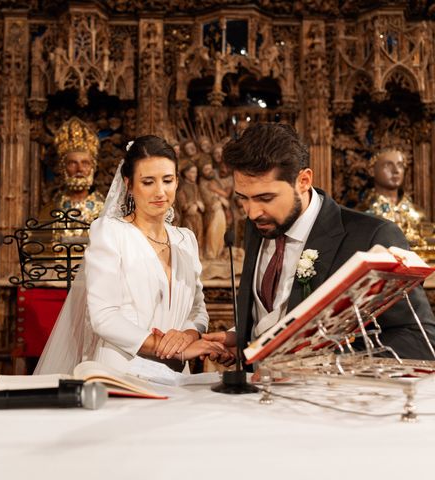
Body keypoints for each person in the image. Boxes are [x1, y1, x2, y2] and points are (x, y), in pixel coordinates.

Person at [203, 123, 435, 363]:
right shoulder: (259, 224)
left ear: (303, 180)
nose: (251, 212)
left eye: (266, 198)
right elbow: (273, 317)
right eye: (243, 199)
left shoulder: (372, 237)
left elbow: (420, 339)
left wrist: (321, 359)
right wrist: (241, 341)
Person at [35, 135, 226, 374]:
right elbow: (104, 316)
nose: (160, 192)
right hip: (123, 369)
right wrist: (165, 347)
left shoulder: (186, 239)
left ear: (177, 181)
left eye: (167, 180)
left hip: (177, 372)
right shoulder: (110, 232)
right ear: (129, 184)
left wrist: (187, 335)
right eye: (148, 182)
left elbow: (198, 308)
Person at [358, 148, 424, 245]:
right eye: (388, 165)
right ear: (372, 171)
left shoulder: (418, 213)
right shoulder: (364, 213)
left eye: (400, 165)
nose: (396, 171)